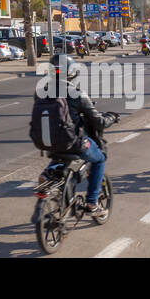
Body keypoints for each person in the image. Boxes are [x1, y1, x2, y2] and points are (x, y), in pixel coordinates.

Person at [33, 53, 117, 213]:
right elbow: (99, 122)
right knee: (99, 159)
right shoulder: (77, 94)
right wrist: (112, 117)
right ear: (72, 72)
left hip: (47, 143)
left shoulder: (39, 92)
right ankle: (92, 202)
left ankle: (48, 174)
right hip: (74, 143)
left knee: (60, 161)